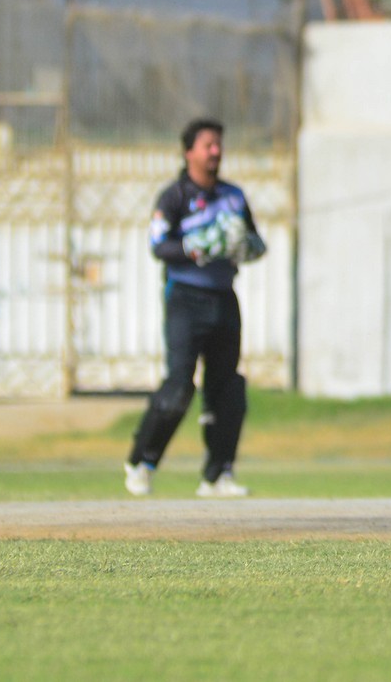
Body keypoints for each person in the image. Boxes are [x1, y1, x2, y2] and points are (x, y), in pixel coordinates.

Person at [124, 117, 265, 498]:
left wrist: (244, 245)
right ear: (189, 152)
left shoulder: (233, 196)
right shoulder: (174, 197)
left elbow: (255, 243)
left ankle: (218, 475)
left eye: (219, 145)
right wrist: (195, 245)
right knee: (178, 388)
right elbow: (159, 246)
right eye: (208, 146)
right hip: (185, 299)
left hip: (224, 297)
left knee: (228, 389)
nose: (216, 152)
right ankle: (142, 463)